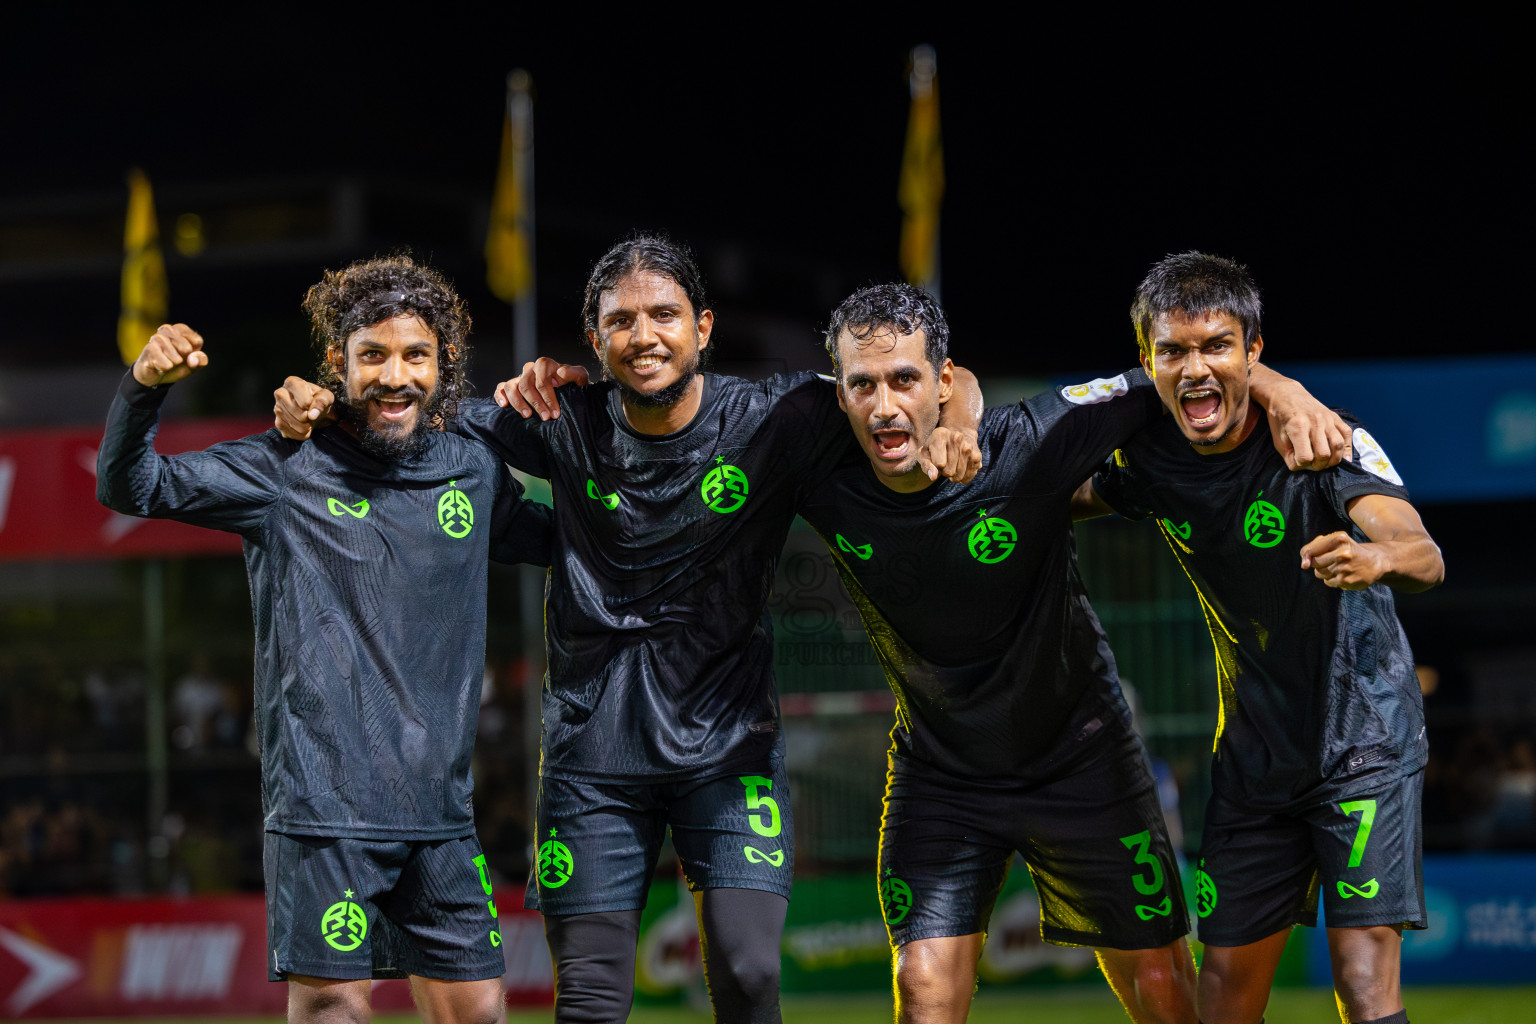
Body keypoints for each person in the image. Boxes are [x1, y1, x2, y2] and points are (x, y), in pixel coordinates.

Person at [272, 235, 984, 1024]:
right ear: (595, 339)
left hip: (728, 747)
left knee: (748, 973)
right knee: (591, 1002)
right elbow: (404, 404)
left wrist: (961, 422)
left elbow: (924, 382)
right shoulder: (554, 418)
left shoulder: (777, 416)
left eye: (665, 314)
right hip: (593, 759)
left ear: (703, 327)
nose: (645, 334)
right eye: (622, 320)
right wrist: (318, 398)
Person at [788, 283, 1349, 1024]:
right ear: (841, 394)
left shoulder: (1035, 440)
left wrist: (1285, 389)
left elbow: (1168, 374)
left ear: (943, 380)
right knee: (922, 988)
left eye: (905, 380)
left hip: (1083, 761)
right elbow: (684, 405)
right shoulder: (817, 463)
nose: (885, 406)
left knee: (1162, 994)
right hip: (941, 774)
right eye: (863, 384)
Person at [97, 255, 553, 1024]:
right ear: (338, 366)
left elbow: (567, 539)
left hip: (441, 814)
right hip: (323, 809)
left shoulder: (472, 471)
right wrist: (143, 387)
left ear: (443, 366)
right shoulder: (286, 467)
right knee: (335, 1007)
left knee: (477, 1011)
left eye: (415, 355)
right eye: (372, 355)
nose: (394, 375)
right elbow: (130, 485)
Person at [1075, 252, 1443, 1024]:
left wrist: (1374, 556)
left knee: (1363, 975)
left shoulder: (1319, 441)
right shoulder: (1150, 459)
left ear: (1254, 353)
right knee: (1225, 997)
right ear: (1149, 362)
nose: (1196, 368)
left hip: (1362, 743)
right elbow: (1060, 495)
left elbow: (1422, 551)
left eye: (1217, 346)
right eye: (1174, 350)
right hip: (1252, 760)